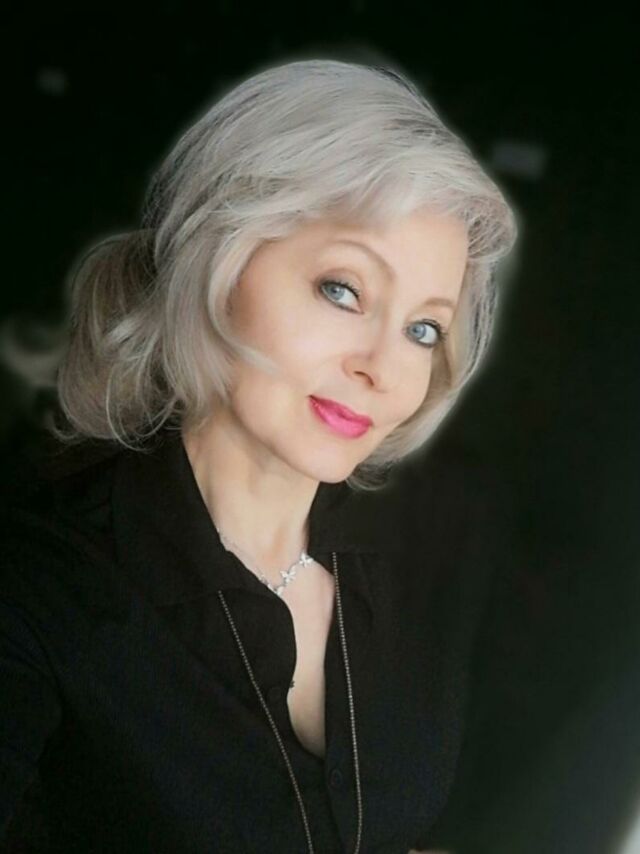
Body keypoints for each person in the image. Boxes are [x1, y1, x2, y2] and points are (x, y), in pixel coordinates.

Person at [0, 58, 517, 852]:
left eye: (424, 329)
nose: (383, 368)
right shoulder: (42, 591)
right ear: (218, 259)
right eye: (343, 289)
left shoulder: (415, 563)